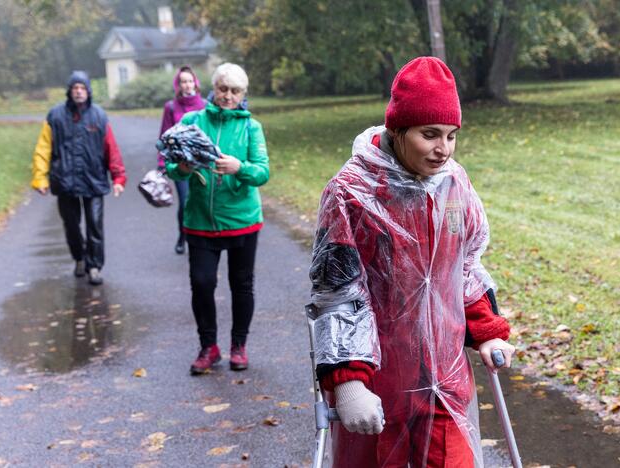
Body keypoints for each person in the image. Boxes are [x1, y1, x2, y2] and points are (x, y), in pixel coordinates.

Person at [307, 57, 515, 467]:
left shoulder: (454, 183)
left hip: (444, 377)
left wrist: (487, 330)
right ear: (397, 130)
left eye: (452, 136)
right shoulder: (351, 193)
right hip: (377, 382)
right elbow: (338, 294)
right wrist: (349, 381)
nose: (444, 149)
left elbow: (463, 269)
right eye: (430, 134)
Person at [165, 63, 269, 374]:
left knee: (242, 285)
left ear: (243, 94)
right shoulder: (192, 120)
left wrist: (241, 168)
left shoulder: (252, 127)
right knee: (201, 283)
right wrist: (182, 169)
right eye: (223, 89)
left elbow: (263, 172)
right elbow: (171, 165)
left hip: (242, 219)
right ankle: (208, 346)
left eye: (235, 91)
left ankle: (239, 345)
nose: (228, 96)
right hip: (200, 220)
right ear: (213, 89)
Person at [31, 71, 126, 286]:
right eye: (75, 88)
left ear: (88, 91)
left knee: (95, 227)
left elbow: (111, 148)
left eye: (82, 88)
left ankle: (94, 266)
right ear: (69, 91)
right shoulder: (55, 116)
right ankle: (80, 258)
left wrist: (118, 178)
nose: (79, 92)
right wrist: (40, 178)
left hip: (93, 180)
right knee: (71, 225)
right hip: (64, 181)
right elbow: (43, 149)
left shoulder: (99, 116)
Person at [157, 65, 206, 254]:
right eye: (183, 82)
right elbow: (164, 135)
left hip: (202, 162)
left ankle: (202, 235)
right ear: (178, 85)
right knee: (185, 201)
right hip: (180, 162)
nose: (187, 85)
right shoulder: (171, 107)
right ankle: (183, 235)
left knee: (201, 198)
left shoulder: (204, 106)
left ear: (195, 83)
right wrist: (162, 164)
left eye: (190, 81)